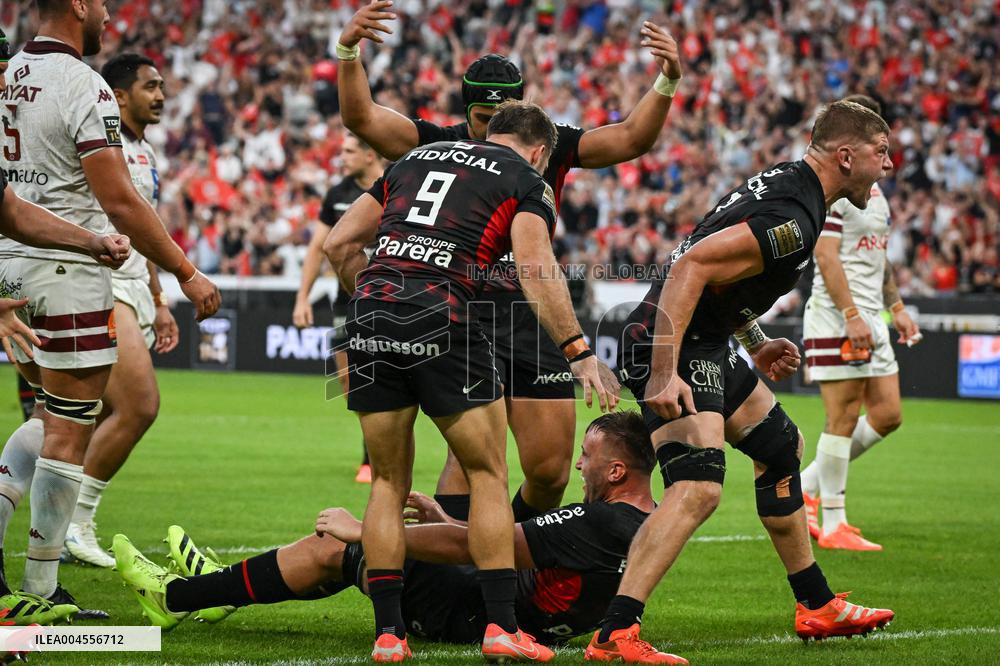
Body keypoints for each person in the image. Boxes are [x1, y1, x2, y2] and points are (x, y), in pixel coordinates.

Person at [337, 1, 681, 522]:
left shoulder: (546, 142)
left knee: (548, 472)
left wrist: (667, 82)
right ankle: (452, 572)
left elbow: (632, 137)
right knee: (473, 456)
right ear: (466, 113)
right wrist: (346, 51)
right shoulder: (439, 144)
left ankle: (498, 551)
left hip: (532, 312)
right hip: (464, 313)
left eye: (502, 118)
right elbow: (361, 118)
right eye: (481, 119)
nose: (492, 131)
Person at [586, 100, 897, 663]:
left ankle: (816, 605)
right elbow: (690, 268)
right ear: (846, 156)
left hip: (702, 341)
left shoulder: (792, 189)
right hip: (672, 344)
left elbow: (720, 282)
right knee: (699, 487)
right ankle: (614, 633)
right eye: (882, 152)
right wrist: (663, 370)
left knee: (782, 450)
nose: (890, 165)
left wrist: (755, 342)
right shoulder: (794, 216)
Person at [323, 100, 617, 662]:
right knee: (489, 472)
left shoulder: (416, 158)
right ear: (539, 150)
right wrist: (578, 350)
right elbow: (534, 267)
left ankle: (389, 636)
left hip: (373, 311)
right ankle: (501, 627)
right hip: (444, 314)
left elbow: (338, 244)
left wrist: (380, 295)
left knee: (386, 479)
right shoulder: (527, 178)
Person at [0, 0, 219, 622]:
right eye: (98, 3)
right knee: (73, 427)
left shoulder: (7, 71)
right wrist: (185, 270)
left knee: (50, 418)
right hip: (68, 265)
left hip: (12, 263)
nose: (104, 14)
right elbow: (119, 201)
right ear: (76, 5)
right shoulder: (83, 84)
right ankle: (40, 592)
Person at [112, 412, 663, 649]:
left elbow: (474, 547)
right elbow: (495, 546)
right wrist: (449, 522)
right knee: (376, 540)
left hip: (477, 611)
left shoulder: (598, 520)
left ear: (617, 471)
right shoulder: (652, 525)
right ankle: (220, 587)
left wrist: (362, 533)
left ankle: (178, 596)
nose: (580, 466)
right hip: (512, 606)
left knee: (335, 548)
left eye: (588, 458)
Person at [54, 52, 182, 569]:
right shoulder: (99, 140)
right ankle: (75, 523)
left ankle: (57, 520)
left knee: (90, 415)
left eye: (163, 86)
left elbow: (141, 227)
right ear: (119, 94)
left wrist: (158, 297)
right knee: (138, 407)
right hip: (99, 280)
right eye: (150, 86)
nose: (161, 95)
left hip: (134, 283)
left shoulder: (145, 151)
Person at [800, 95, 921, 551]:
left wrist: (899, 307)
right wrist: (850, 314)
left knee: (888, 414)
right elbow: (826, 256)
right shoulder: (837, 191)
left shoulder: (875, 194)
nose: (888, 160)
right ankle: (834, 524)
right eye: (881, 149)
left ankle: (806, 485)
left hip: (874, 316)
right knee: (843, 416)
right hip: (837, 316)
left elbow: (878, 258)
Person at [292, 134, 382, 484]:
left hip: (390, 300)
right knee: (349, 382)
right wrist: (302, 298)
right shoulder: (337, 194)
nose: (341, 157)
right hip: (348, 301)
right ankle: (376, 450)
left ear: (370, 152)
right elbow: (317, 248)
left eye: (348, 151)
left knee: (381, 378)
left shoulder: (400, 183)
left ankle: (372, 459)